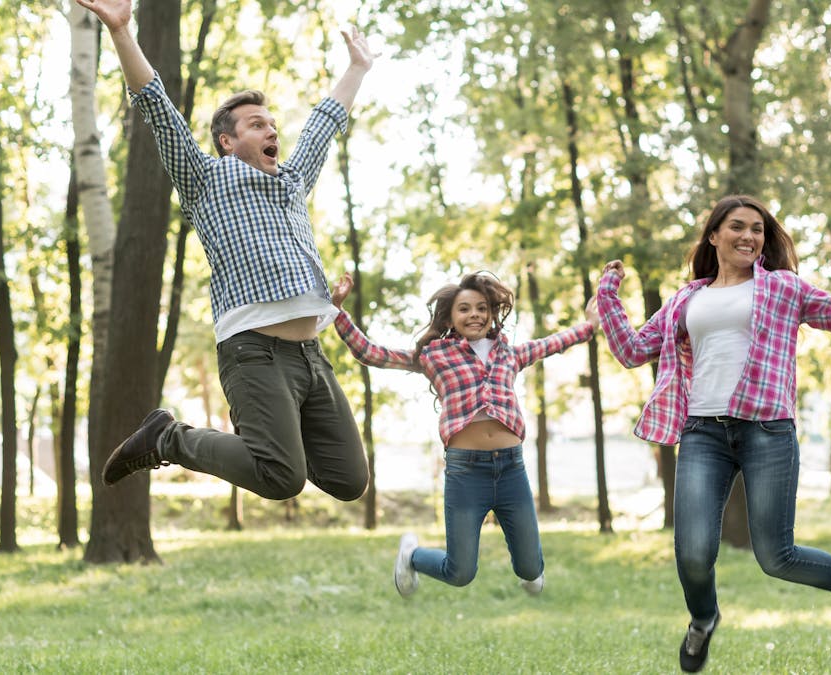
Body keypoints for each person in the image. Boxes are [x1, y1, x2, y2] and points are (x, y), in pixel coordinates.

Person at [596, 195, 831, 672]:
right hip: (703, 431)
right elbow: (633, 349)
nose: (749, 236)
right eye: (737, 226)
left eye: (758, 230)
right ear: (714, 235)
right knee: (694, 553)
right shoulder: (687, 298)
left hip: (767, 429)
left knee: (776, 556)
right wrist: (607, 297)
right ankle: (703, 620)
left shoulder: (785, 287)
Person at [80, 0, 372, 503]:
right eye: (258, 124)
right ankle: (168, 438)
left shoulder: (291, 180)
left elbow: (326, 122)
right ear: (226, 141)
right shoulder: (205, 181)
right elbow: (157, 106)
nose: (272, 130)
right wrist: (123, 32)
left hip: (311, 354)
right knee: (282, 478)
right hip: (253, 350)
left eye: (272, 123)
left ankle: (275, 443)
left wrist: (357, 69)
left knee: (348, 479)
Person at [329, 271, 598, 596]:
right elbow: (374, 354)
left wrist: (589, 326)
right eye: (465, 309)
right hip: (466, 473)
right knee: (460, 573)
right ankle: (412, 556)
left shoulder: (508, 353)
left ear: (492, 313)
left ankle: (530, 568)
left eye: (482, 308)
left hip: (511, 469)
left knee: (531, 570)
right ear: (450, 316)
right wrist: (338, 312)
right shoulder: (434, 355)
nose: (474, 315)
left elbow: (552, 343)